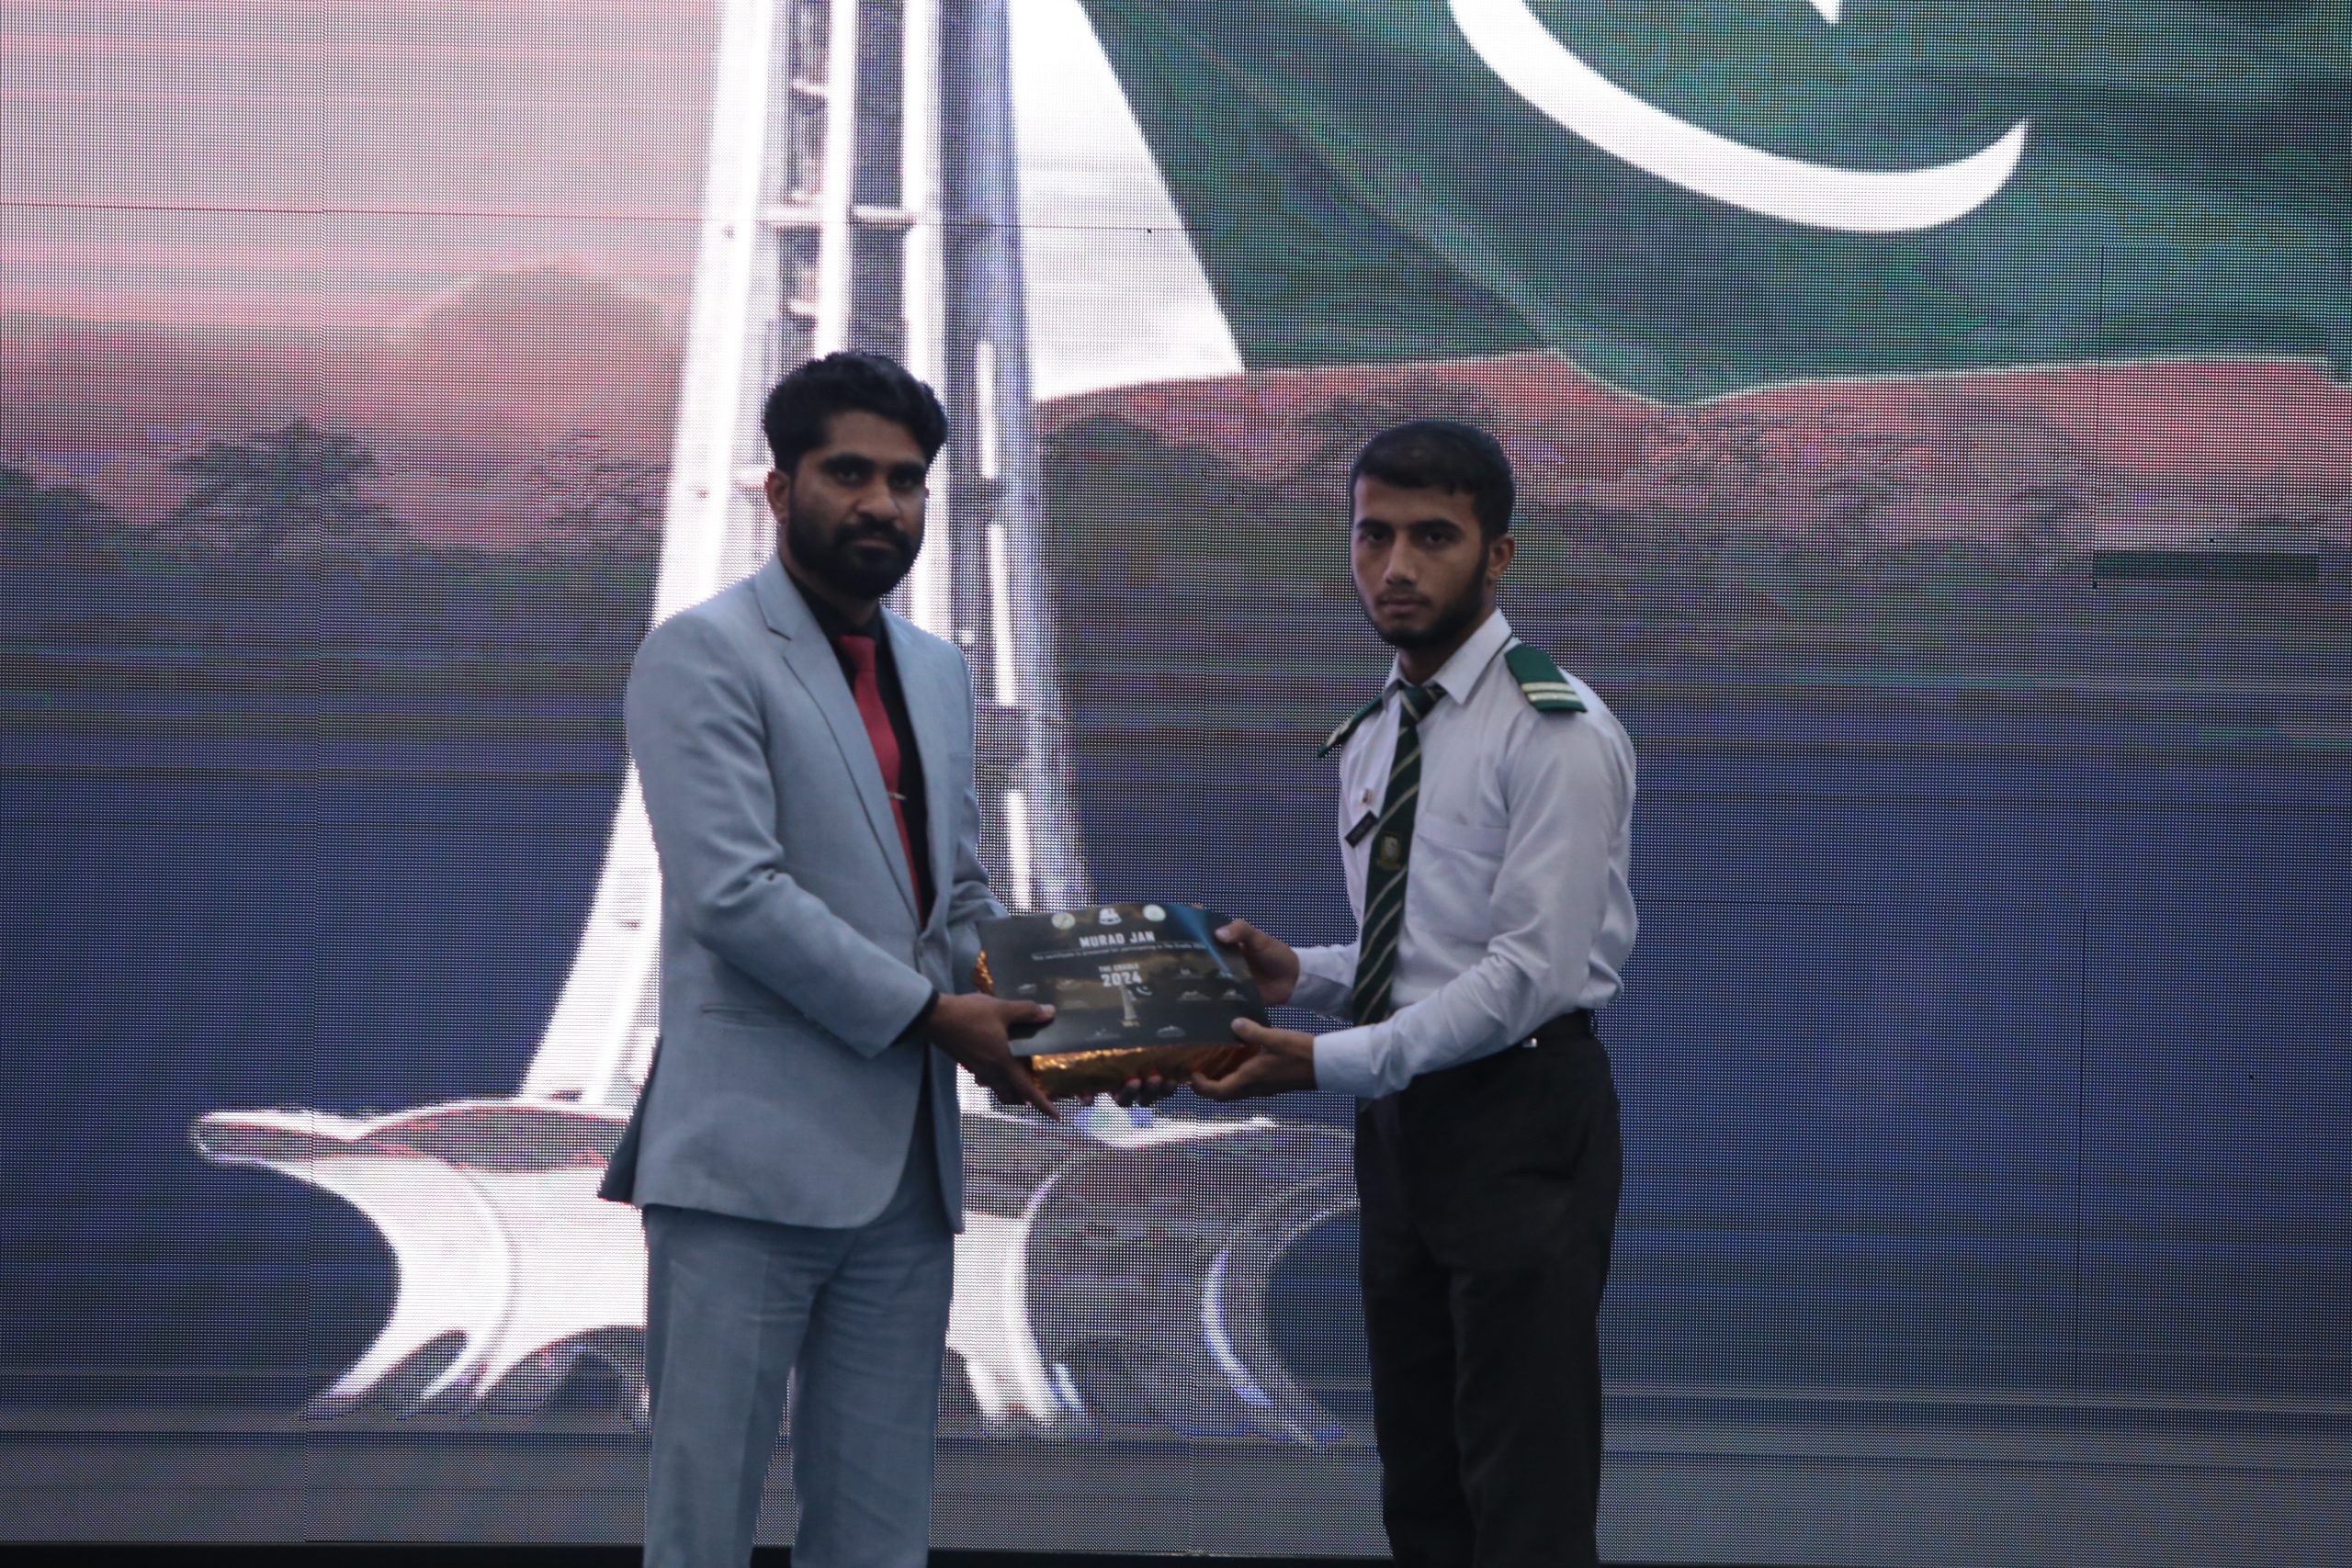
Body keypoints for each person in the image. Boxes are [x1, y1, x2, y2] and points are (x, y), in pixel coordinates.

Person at [597, 351, 1056, 1568]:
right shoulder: (698, 653)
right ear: (777, 486)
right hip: (742, 1170)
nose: (881, 504)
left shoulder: (940, 672)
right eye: (849, 473)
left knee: (878, 1530)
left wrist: (1057, 1021)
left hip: (906, 1178)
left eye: (905, 481)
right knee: (703, 1525)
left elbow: (956, 896)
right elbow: (735, 896)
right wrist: (935, 1018)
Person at [1184, 420, 1637, 1568]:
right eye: (1372, 534)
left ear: (1498, 555)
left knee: (1523, 1498)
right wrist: (1302, 976)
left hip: (1523, 1114)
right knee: (1421, 1491)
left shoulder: (1555, 730)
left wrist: (1320, 1060)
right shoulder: (1373, 729)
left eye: (1433, 537)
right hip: (1403, 1124)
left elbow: (1527, 977)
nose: (1395, 566)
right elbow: (1430, 953)